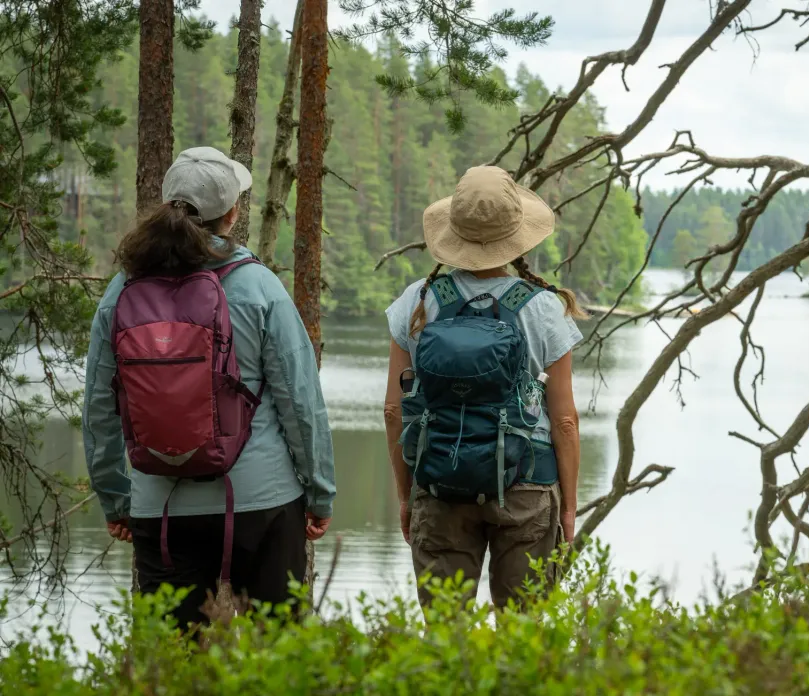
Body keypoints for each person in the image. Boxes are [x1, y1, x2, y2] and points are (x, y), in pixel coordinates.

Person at [83, 147, 336, 631]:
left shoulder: (121, 292)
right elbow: (301, 401)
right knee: (279, 651)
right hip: (263, 501)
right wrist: (319, 493)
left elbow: (99, 406)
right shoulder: (259, 285)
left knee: (175, 663)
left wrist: (116, 500)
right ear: (233, 213)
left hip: (161, 506)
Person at [383, 165, 584, 610]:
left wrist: (406, 495)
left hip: (439, 483)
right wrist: (568, 507)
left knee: (446, 639)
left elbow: (394, 413)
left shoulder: (418, 301)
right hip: (527, 485)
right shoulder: (544, 309)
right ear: (517, 234)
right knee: (521, 635)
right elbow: (565, 421)